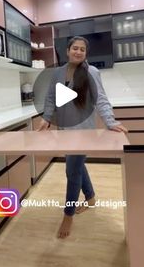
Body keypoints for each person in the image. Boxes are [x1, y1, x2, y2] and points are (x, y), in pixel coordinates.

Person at [38, 36, 128, 239]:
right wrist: (46, 118)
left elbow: (101, 99)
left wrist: (111, 121)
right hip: (65, 130)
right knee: (76, 165)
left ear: (85, 54)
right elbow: (51, 97)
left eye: (82, 50)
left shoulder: (92, 72)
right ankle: (90, 197)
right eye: (75, 48)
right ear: (67, 50)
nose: (78, 52)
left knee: (72, 171)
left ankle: (68, 214)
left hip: (84, 132)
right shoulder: (58, 73)